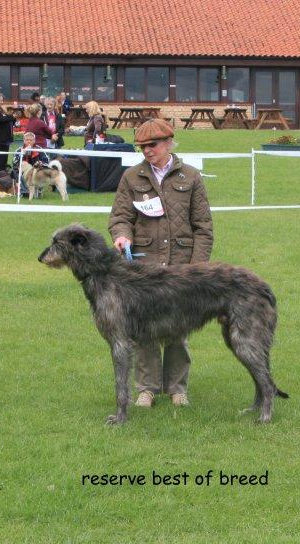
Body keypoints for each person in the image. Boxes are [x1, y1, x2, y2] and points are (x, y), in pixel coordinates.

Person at [108, 119, 213, 408]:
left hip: (182, 268)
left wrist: (197, 268)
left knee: (178, 330)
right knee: (144, 331)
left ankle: (177, 389)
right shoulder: (131, 178)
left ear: (168, 142)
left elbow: (203, 226)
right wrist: (121, 236)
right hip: (144, 269)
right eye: (142, 147)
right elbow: (120, 217)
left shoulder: (191, 177)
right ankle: (147, 389)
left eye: (152, 145)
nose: (146, 151)